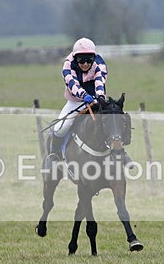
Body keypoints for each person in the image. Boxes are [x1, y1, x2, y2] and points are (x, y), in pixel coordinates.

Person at [43, 37, 132, 169]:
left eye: (89, 60)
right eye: (81, 60)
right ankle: (54, 155)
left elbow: (100, 82)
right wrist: (83, 95)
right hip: (75, 101)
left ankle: (121, 153)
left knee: (112, 120)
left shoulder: (100, 64)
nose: (85, 64)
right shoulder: (68, 64)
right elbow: (72, 83)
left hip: (97, 98)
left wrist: (99, 98)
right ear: (75, 58)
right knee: (60, 127)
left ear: (94, 58)